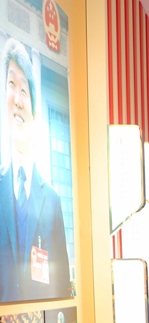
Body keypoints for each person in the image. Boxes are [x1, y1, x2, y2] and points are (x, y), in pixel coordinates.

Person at [0, 39, 71, 303]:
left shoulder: (52, 199)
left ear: (34, 112)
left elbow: (62, 284)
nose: (17, 99)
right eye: (11, 85)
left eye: (24, 90)